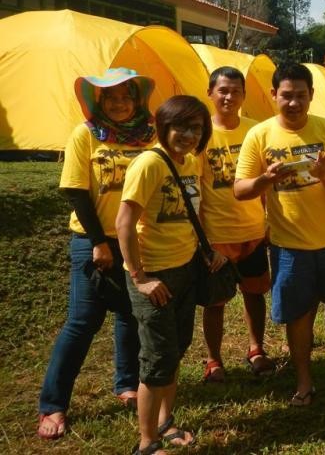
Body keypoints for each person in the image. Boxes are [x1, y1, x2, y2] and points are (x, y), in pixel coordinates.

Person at [37, 68, 155, 440]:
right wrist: (99, 243)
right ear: (99, 101)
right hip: (94, 240)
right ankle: (53, 404)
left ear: (137, 100)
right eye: (111, 97)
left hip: (136, 239)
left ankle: (127, 384)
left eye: (126, 96)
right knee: (83, 321)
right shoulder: (86, 134)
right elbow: (76, 191)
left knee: (130, 314)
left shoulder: (150, 135)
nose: (119, 103)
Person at [234, 62, 325, 405]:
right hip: (288, 247)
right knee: (299, 315)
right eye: (286, 95)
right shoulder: (260, 135)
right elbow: (240, 190)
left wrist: (324, 175)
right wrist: (266, 180)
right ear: (274, 95)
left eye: (301, 95)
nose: (294, 103)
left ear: (312, 96)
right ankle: (303, 379)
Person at [117, 95, 221, 455]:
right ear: (163, 126)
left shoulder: (190, 162)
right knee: (157, 359)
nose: (189, 135)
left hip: (185, 269)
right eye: (180, 127)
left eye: (196, 128)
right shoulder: (149, 163)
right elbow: (124, 222)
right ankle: (147, 443)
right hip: (154, 276)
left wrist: (205, 249)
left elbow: (193, 212)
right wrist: (140, 277)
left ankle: (166, 421)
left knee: (175, 350)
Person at [199, 67, 272, 383]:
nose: (229, 97)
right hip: (217, 235)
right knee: (215, 301)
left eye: (236, 91)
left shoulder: (256, 131)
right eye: (223, 90)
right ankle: (213, 359)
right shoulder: (200, 134)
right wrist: (202, 239)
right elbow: (195, 187)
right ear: (210, 93)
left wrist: (269, 222)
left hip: (253, 231)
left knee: (254, 294)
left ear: (244, 95)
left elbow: (266, 181)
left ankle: (256, 349)